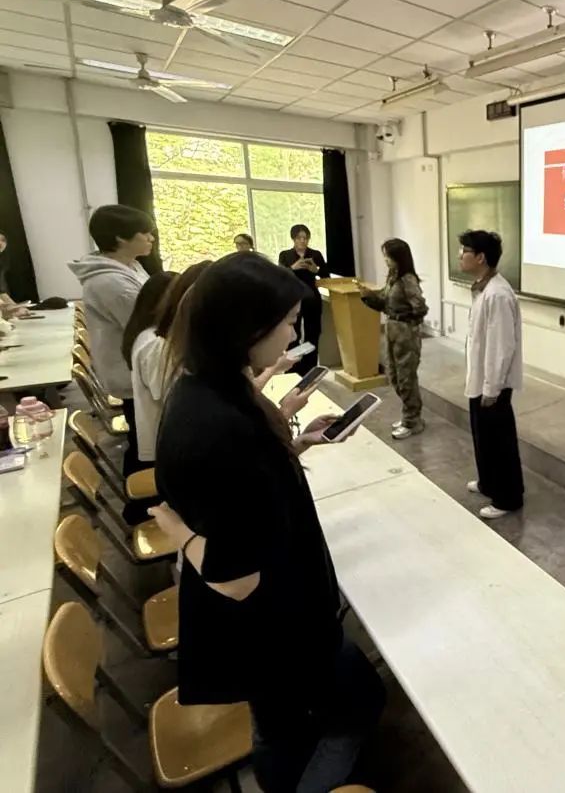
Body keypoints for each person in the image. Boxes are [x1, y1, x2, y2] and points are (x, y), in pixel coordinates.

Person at [147, 253, 384, 793]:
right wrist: (178, 532)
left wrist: (297, 444)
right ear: (246, 328)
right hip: (278, 626)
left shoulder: (210, 388)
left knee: (284, 723)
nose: (294, 334)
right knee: (331, 714)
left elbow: (248, 492)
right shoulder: (215, 424)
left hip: (281, 619)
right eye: (288, 322)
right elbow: (235, 576)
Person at [68, 204, 155, 476]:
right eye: (145, 233)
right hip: (131, 370)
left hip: (136, 365)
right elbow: (146, 324)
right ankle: (142, 490)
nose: (151, 238)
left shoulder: (131, 266)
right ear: (120, 238)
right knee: (145, 440)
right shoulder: (111, 282)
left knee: (144, 433)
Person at [459, 229, 524, 520]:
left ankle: (508, 498)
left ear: (481, 257)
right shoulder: (483, 288)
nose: (460, 255)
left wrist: (492, 388)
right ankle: (488, 482)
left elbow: (501, 347)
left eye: (465, 251)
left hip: (492, 384)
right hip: (481, 380)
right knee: (483, 437)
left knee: (499, 442)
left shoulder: (497, 295)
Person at [357, 238, 429, 440]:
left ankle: (412, 420)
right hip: (392, 331)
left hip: (405, 333)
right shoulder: (393, 277)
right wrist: (367, 295)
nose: (386, 260)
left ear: (399, 257)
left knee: (406, 378)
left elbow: (420, 307)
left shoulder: (407, 280)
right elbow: (384, 303)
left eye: (388, 257)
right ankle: (409, 416)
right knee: (394, 376)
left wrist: (407, 321)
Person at [120, 270, 177, 469]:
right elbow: (168, 395)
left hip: (163, 436)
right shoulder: (156, 344)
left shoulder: (146, 335)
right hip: (164, 443)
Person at [278, 224, 328, 375]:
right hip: (293, 299)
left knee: (313, 332)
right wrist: (293, 268)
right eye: (299, 238)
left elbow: (326, 275)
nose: (302, 241)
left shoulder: (315, 254)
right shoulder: (285, 255)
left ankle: (310, 368)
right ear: (293, 239)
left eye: (305, 238)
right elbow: (280, 275)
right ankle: (293, 368)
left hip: (312, 298)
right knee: (293, 334)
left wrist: (315, 270)